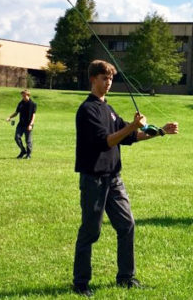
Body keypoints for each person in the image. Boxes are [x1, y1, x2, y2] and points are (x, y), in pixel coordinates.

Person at [72, 60, 178, 297]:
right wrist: (131, 126)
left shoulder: (109, 109)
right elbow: (107, 141)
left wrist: (160, 131)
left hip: (114, 178)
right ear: (93, 80)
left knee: (127, 225)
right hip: (94, 179)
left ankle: (126, 277)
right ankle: (80, 283)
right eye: (103, 78)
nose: (108, 82)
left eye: (110, 78)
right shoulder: (88, 110)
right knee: (91, 231)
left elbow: (131, 137)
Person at [6, 89, 36, 159]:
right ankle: (23, 151)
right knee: (17, 137)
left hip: (28, 124)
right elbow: (16, 112)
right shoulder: (21, 103)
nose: (23, 97)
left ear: (28, 95)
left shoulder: (32, 104)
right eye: (22, 96)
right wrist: (9, 117)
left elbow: (33, 115)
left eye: (24, 96)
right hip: (21, 124)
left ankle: (28, 154)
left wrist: (31, 124)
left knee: (28, 140)